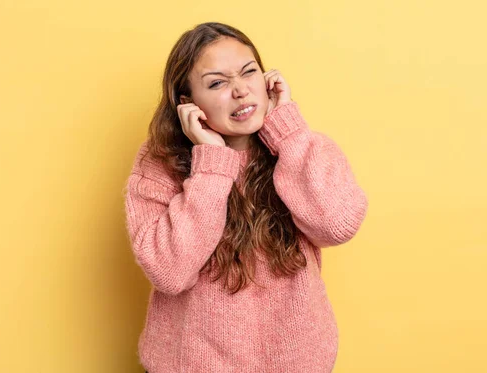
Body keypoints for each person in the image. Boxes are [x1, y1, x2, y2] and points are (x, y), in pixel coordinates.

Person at [123, 21, 368, 373]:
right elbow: (169, 272)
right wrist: (212, 164)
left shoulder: (303, 148)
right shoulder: (159, 165)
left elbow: (337, 225)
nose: (240, 91)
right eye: (218, 83)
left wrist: (288, 134)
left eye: (248, 72)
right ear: (187, 102)